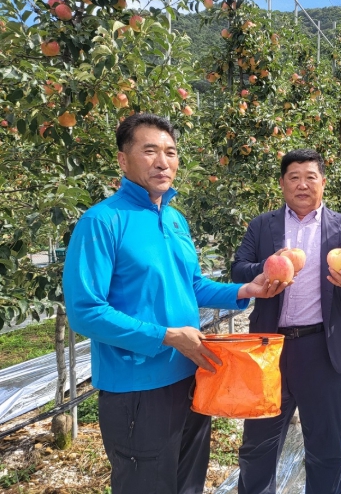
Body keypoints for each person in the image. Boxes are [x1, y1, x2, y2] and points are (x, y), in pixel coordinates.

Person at [63, 113, 288, 494]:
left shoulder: (175, 219)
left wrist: (246, 290)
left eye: (170, 152)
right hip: (138, 390)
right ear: (123, 160)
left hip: (191, 376)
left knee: (188, 485)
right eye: (149, 151)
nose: (162, 162)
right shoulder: (102, 221)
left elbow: (192, 285)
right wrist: (165, 336)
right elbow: (85, 312)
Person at [232, 148, 341, 494]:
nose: (302, 184)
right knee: (258, 444)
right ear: (282, 184)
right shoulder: (262, 225)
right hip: (270, 349)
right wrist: (268, 265)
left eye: (310, 177)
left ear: (323, 182)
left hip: (323, 349)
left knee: (324, 447)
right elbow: (238, 269)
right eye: (294, 177)